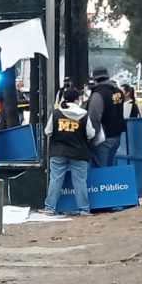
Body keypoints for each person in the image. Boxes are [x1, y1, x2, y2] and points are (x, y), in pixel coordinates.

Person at [40, 87, 96, 216]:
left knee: (55, 179)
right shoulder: (83, 114)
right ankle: (84, 209)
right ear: (77, 100)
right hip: (79, 152)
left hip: (58, 151)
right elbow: (91, 133)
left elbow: (48, 131)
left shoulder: (56, 113)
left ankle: (50, 207)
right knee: (80, 181)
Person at [87, 67, 125, 167]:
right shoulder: (118, 92)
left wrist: (91, 137)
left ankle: (104, 183)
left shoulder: (98, 94)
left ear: (95, 79)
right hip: (117, 135)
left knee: (101, 169)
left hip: (103, 137)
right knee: (111, 166)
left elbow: (94, 118)